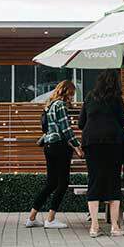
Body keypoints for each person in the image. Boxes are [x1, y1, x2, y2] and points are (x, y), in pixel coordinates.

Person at [78, 70, 124, 237]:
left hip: (91, 142)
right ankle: (114, 227)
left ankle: (94, 227)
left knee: (94, 180)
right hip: (112, 142)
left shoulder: (90, 97)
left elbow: (81, 123)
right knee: (113, 180)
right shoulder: (116, 98)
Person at [26, 80, 83, 229]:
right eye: (72, 94)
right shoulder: (60, 105)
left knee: (51, 183)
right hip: (59, 147)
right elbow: (66, 129)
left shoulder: (49, 105)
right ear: (67, 92)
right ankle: (50, 219)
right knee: (63, 183)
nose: (72, 97)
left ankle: (32, 217)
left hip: (49, 146)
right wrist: (77, 147)